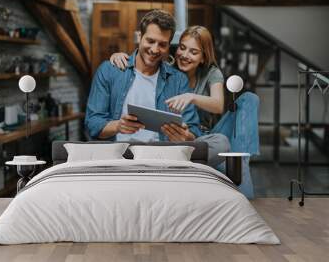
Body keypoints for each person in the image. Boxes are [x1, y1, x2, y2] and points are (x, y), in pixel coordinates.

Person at [110, 25, 260, 198]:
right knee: (220, 147)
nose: (185, 55)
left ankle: (241, 160)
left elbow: (218, 105)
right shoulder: (167, 68)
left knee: (248, 100)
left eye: (193, 52)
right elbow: (143, 60)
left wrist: (191, 96)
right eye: (182, 48)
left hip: (206, 137)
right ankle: (208, 162)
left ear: (203, 57)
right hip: (175, 136)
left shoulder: (211, 73)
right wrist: (119, 56)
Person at [85, 10, 229, 166]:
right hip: (119, 153)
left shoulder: (178, 79)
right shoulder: (110, 70)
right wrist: (118, 126)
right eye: (150, 41)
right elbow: (93, 123)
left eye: (162, 44)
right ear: (139, 37)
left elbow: (193, 129)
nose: (154, 49)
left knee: (221, 142)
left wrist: (185, 136)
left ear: (168, 45)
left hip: (162, 154)